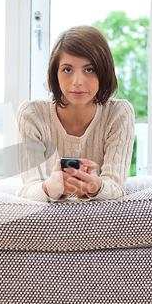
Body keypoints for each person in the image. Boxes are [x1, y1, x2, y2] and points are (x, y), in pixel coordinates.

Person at [16, 25, 135, 202]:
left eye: (89, 69)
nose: (77, 82)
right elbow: (29, 187)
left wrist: (97, 187)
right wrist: (49, 188)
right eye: (67, 69)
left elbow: (115, 185)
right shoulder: (31, 114)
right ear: (55, 74)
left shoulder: (119, 113)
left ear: (103, 73)